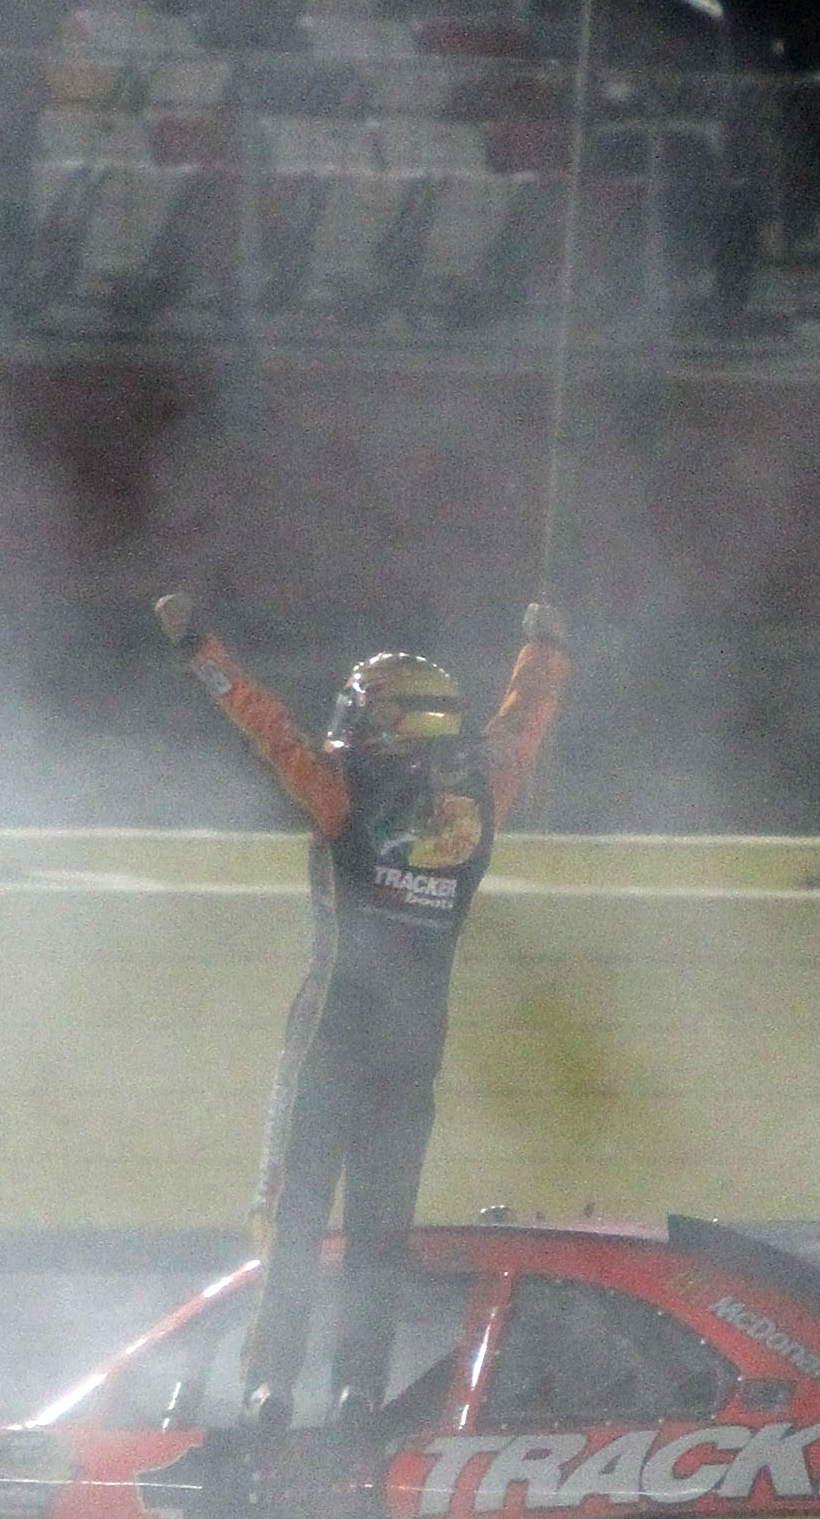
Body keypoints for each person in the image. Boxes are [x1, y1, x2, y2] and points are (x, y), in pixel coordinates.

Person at [155, 591, 571, 1431]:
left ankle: (270, 1381)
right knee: (382, 1228)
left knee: (293, 1213)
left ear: (379, 722)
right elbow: (523, 720)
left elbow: (261, 725)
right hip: (415, 1049)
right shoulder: (486, 790)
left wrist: (198, 643)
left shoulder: (342, 790)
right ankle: (359, 1387)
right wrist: (546, 649)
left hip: (329, 1037)